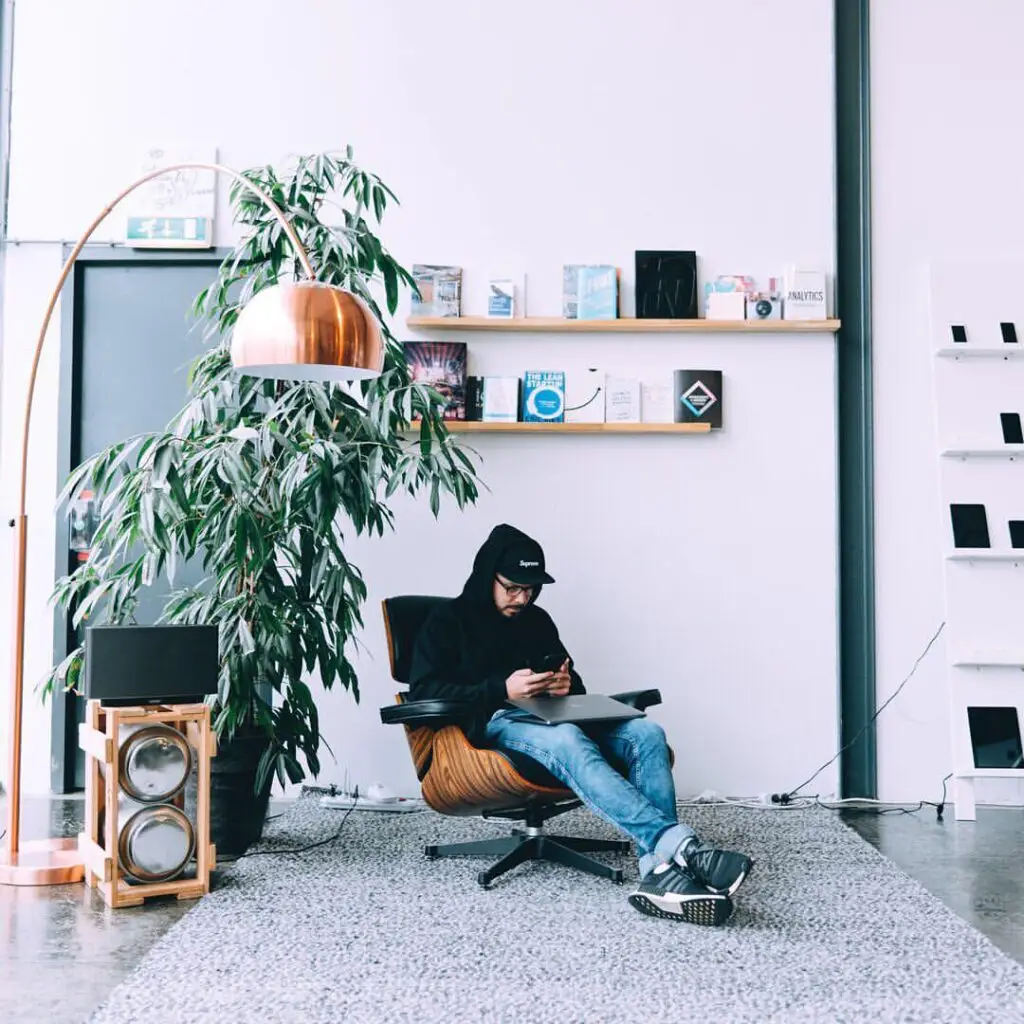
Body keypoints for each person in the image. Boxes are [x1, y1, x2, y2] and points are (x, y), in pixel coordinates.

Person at [407, 523, 753, 926]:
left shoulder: (537, 620)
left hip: (554, 714)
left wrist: (565, 685)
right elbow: (425, 692)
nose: (523, 597)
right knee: (568, 738)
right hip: (495, 724)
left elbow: (574, 683)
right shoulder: (447, 621)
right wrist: (500, 688)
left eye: (531, 589)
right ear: (487, 577)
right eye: (512, 587)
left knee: (646, 733)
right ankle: (681, 846)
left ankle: (656, 872)